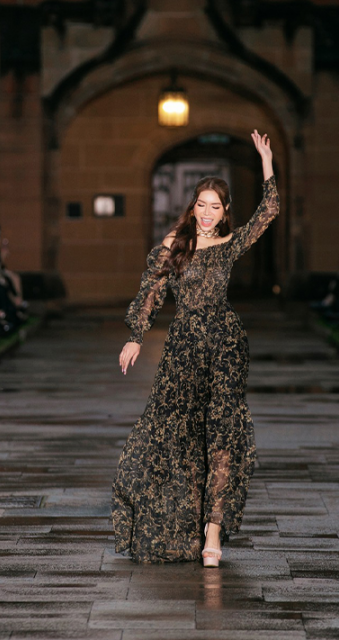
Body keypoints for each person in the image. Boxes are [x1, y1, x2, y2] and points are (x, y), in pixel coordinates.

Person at [112, 129, 279, 567]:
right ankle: (184, 521)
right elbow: (151, 290)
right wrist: (135, 335)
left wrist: (265, 162)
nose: (206, 213)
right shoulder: (175, 245)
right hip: (183, 347)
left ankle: (213, 533)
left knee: (223, 433)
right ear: (193, 208)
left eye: (215, 207)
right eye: (200, 205)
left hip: (225, 344)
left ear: (225, 212)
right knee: (179, 434)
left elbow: (270, 210)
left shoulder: (229, 245)